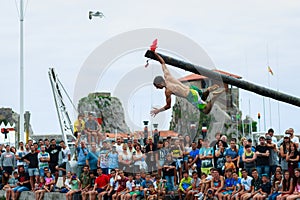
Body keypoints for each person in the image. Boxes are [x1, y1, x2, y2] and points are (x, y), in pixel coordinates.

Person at [150, 51, 224, 116]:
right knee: (203, 98)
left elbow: (168, 106)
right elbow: (162, 62)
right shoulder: (167, 76)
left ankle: (214, 97)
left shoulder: (168, 91)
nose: (157, 88)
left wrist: (158, 111)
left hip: (191, 96)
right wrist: (155, 53)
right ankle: (208, 90)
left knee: (206, 110)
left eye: (157, 86)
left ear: (159, 83)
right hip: (192, 88)